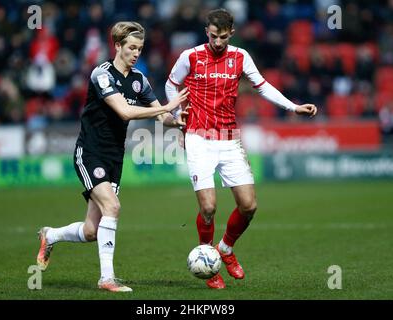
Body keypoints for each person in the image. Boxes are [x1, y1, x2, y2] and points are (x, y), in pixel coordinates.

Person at [165, 8, 317, 289]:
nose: (218, 42)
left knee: (248, 206)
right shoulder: (190, 56)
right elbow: (171, 84)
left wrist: (293, 107)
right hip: (198, 137)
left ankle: (225, 248)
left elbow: (262, 86)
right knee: (208, 207)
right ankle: (210, 266)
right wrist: (177, 115)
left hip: (229, 137)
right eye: (213, 36)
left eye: (223, 37)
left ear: (231, 33)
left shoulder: (240, 57)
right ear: (206, 32)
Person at [36, 21, 188, 293]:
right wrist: (165, 108)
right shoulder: (101, 74)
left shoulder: (139, 80)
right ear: (117, 46)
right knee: (113, 207)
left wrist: (178, 121)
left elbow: (162, 115)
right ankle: (107, 279)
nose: (136, 53)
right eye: (131, 47)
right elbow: (125, 112)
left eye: (140, 48)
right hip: (90, 152)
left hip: (115, 157)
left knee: (92, 230)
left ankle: (51, 235)